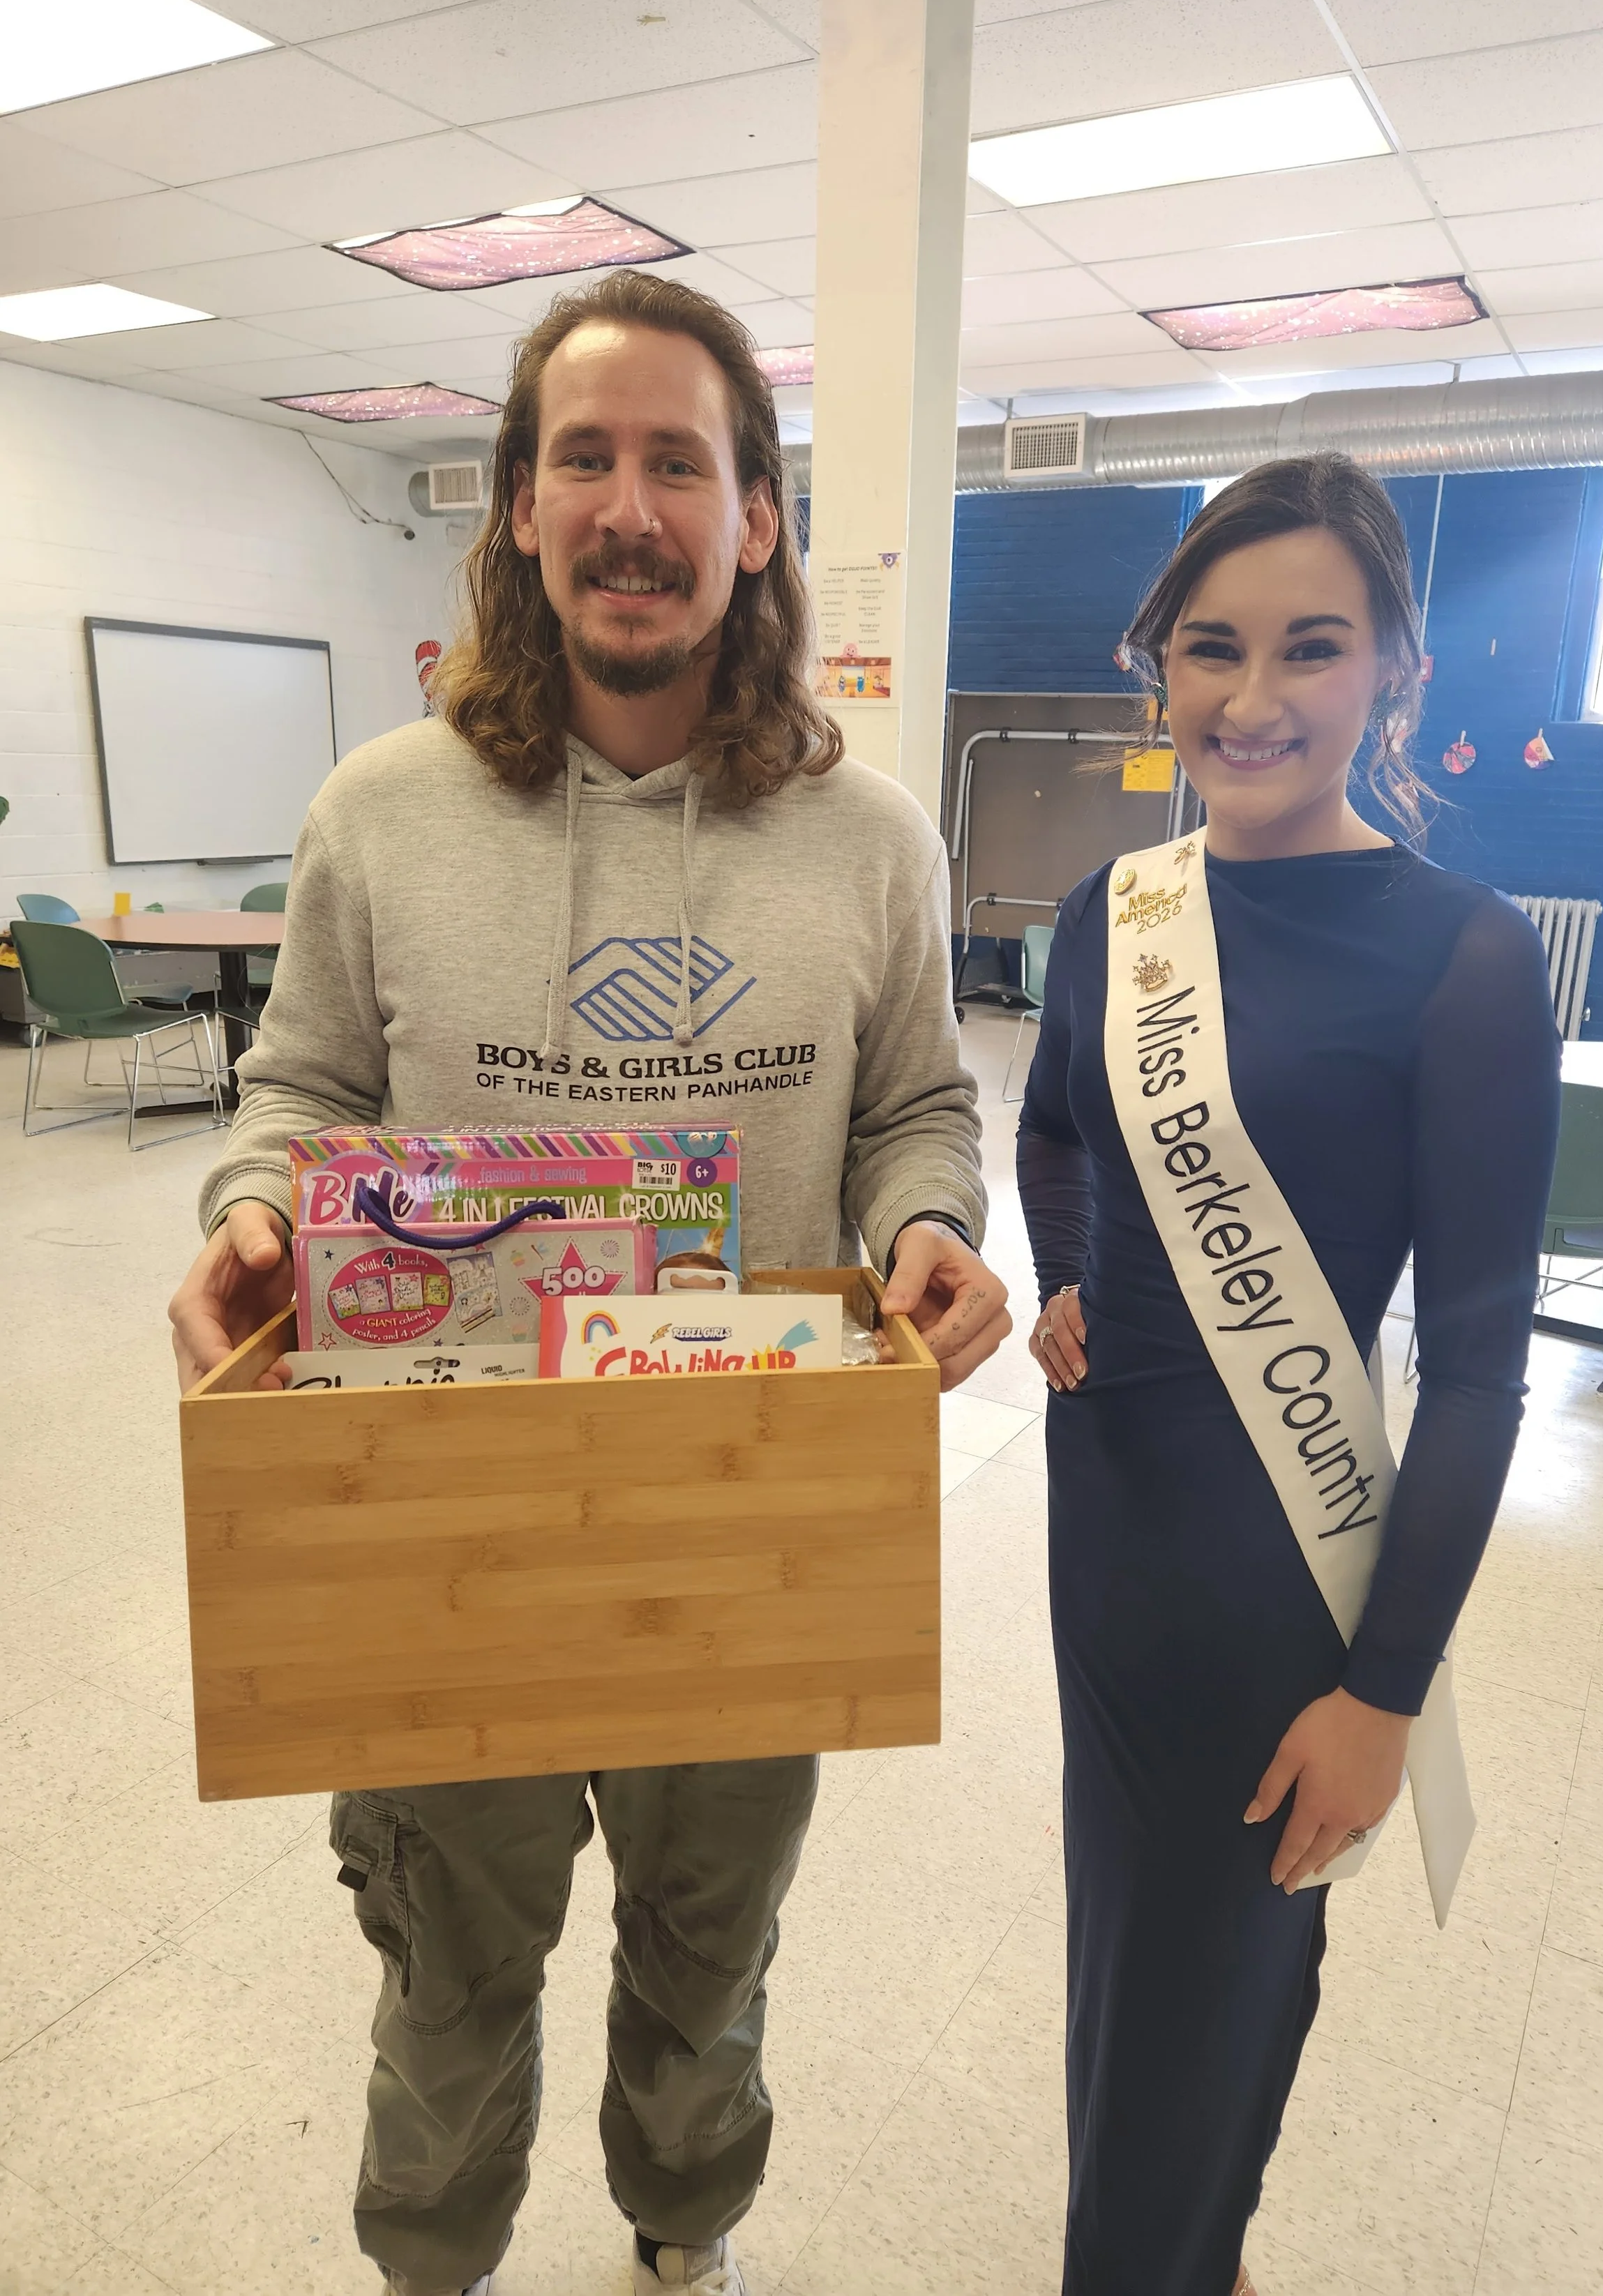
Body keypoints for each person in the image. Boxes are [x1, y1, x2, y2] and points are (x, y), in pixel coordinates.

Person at [168, 267, 1010, 2296]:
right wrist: (254, 1210)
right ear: (522, 509)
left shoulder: (871, 838)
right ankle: (433, 2259)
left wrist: (929, 1226)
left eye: (679, 464)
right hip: (435, 1498)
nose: (631, 510)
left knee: (708, 1958)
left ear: (758, 516)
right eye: (585, 460)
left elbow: (917, 1104)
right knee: (448, 1973)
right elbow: (298, 1084)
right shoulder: (380, 813)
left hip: (745, 1506)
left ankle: (683, 2230)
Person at [1016, 455, 1560, 2296]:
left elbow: (1478, 1373)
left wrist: (1383, 1693)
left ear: (1392, 667)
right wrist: (1068, 1273)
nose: (1252, 698)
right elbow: (1054, 1133)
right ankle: (1191, 2243)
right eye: (1211, 648)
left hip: (1281, 1582)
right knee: (1139, 1947)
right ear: (1158, 667)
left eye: (1310, 647)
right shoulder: (1110, 914)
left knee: (1214, 1960)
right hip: (1104, 1532)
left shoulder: (1463, 957)